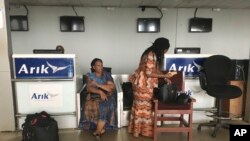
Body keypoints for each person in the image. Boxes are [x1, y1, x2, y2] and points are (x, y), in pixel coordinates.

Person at [127, 37, 175, 138]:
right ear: (162, 48)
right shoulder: (151, 55)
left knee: (142, 107)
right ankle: (143, 132)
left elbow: (155, 70)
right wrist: (165, 76)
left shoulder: (151, 53)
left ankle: (137, 131)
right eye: (166, 50)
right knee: (143, 107)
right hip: (142, 85)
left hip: (142, 84)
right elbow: (149, 73)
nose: (165, 52)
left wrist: (165, 78)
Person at [79, 58, 117, 139]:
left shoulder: (106, 74)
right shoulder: (90, 75)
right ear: (93, 67)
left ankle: (98, 130)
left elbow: (111, 88)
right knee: (89, 104)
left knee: (104, 106)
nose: (101, 67)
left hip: (108, 96)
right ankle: (100, 129)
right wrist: (100, 92)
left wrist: (97, 85)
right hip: (94, 96)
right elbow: (89, 88)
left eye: (102, 65)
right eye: (98, 65)